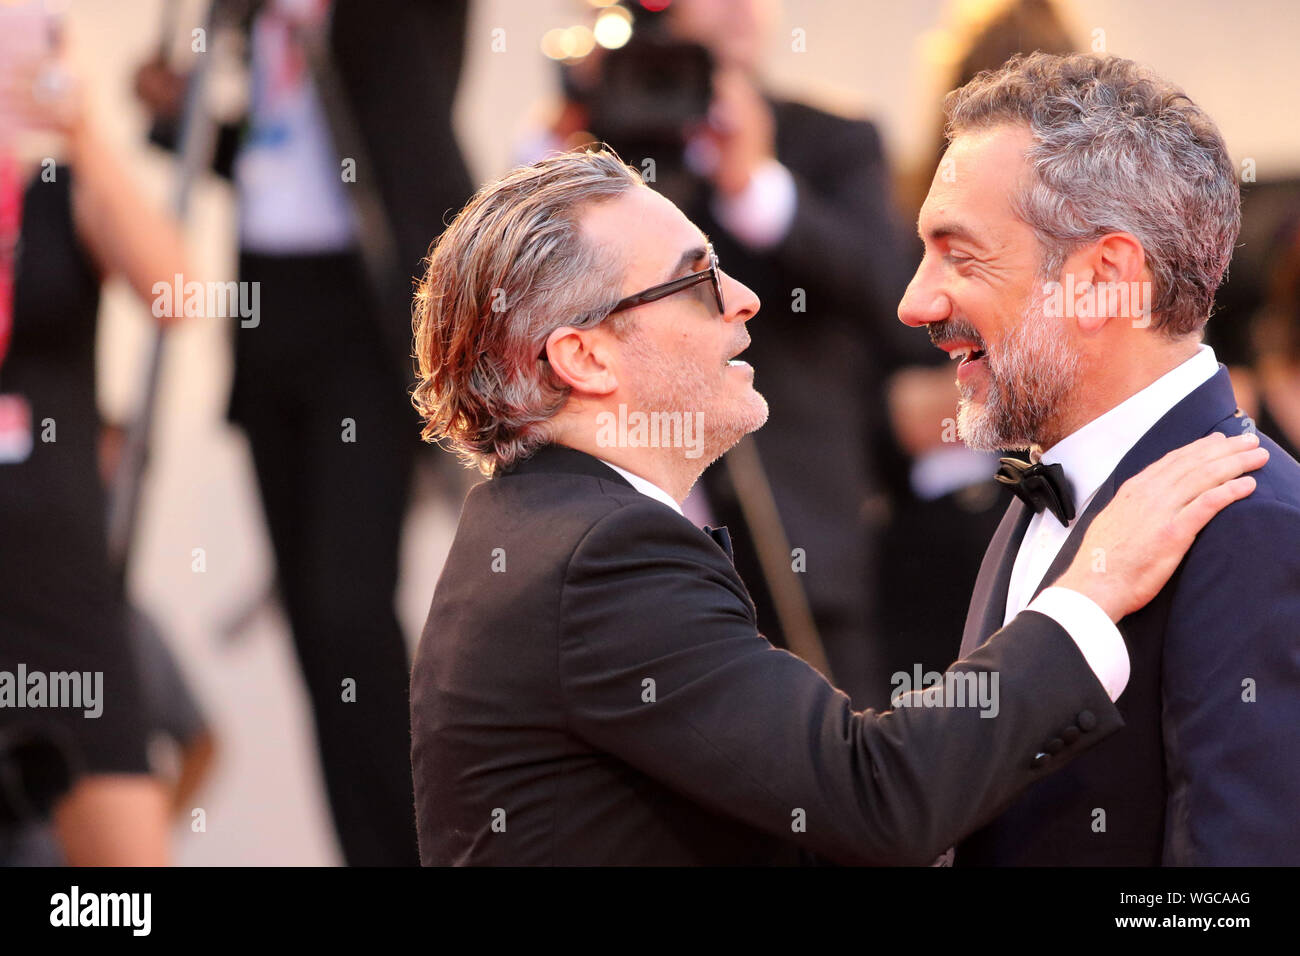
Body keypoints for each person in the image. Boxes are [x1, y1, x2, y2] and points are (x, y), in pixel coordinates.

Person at [407, 148, 1266, 866]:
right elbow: (873, 796)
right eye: (697, 278)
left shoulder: (543, 535)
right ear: (585, 357)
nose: (744, 297)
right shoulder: (599, 558)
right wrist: (1095, 586)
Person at [899, 52, 1300, 865]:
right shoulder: (1039, 492)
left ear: (1103, 276)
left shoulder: (1257, 529)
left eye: (960, 253)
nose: (916, 302)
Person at [134, 0, 474, 865]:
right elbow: (265, 165)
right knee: (318, 640)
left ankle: (417, 849)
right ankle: (365, 851)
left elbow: (407, 129)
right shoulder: (254, 27)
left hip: (365, 320)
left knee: (349, 608)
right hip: (269, 321)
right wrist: (178, 116)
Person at [0, 7, 186, 864]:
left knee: (121, 883)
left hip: (58, 566)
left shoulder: (60, 190)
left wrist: (85, 134)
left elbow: (177, 296)